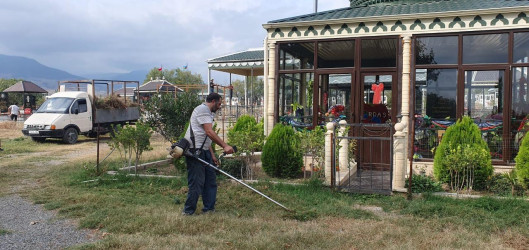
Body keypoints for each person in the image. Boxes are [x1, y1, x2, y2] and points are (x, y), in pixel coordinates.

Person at [182, 93, 234, 215]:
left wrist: (212, 155)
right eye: (219, 103)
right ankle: (188, 211)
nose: (220, 106)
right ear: (213, 101)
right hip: (194, 152)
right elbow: (209, 132)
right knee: (196, 182)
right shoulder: (203, 109)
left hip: (203, 151)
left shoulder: (209, 113)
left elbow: (205, 137)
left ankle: (209, 209)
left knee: (210, 180)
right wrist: (225, 146)